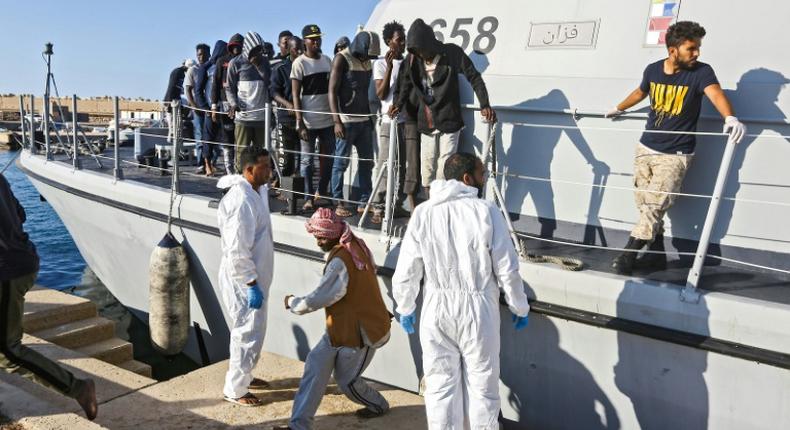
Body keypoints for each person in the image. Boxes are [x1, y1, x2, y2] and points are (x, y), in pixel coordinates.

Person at [392, 153, 530, 429]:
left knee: (440, 388)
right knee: (483, 389)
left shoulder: (423, 211)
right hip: (478, 311)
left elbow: (407, 268)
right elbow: (506, 267)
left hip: (435, 309)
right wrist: (519, 306)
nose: (484, 178)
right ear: (467, 179)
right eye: (482, 174)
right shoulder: (486, 210)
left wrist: (405, 307)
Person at [605, 21, 747, 275]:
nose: (697, 53)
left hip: (676, 154)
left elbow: (715, 94)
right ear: (673, 50)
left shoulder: (701, 73)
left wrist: (730, 117)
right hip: (646, 147)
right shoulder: (652, 70)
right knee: (644, 202)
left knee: (654, 205)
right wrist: (619, 108)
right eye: (691, 48)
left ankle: (629, 253)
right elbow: (640, 93)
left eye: (698, 48)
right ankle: (657, 254)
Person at [275, 208, 392, 429]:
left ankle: (379, 405)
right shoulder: (354, 244)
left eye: (321, 237)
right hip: (339, 329)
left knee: (347, 382)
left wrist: (292, 302)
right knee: (314, 366)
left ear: (332, 235)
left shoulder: (340, 262)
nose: (318, 241)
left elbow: (318, 299)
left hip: (361, 334)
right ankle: (298, 426)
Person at [0, 174, 98, 420]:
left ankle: (78, 388)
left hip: (7, 271)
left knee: (8, 351)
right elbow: (20, 215)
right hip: (23, 261)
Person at [390, 18, 496, 198]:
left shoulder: (451, 53)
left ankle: (442, 206)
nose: (421, 55)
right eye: (416, 51)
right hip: (427, 121)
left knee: (444, 168)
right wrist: (397, 105)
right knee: (428, 169)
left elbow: (474, 77)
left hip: (449, 120)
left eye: (422, 49)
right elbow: (406, 84)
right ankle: (432, 204)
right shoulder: (413, 59)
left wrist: (484, 104)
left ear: (429, 43)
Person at [216, 146, 274, 406]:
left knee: (255, 331)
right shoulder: (241, 201)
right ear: (249, 170)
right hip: (244, 281)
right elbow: (237, 248)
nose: (270, 171)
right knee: (245, 332)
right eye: (265, 167)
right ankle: (235, 389)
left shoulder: (256, 191)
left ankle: (246, 376)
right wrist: (250, 282)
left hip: (255, 278)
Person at [328, 30, 381, 217]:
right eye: (368, 53)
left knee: (367, 161)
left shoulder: (366, 60)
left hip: (364, 119)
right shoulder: (341, 59)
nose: (369, 57)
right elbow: (332, 91)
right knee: (341, 163)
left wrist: (370, 119)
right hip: (346, 120)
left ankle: (364, 200)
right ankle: (337, 200)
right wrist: (336, 121)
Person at [291, 24, 336, 210]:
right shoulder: (299, 63)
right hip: (308, 122)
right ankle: (308, 197)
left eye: (318, 38)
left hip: (327, 121)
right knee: (307, 161)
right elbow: (295, 95)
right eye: (313, 38)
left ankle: (322, 192)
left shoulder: (327, 60)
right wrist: (299, 122)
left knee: (329, 158)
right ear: (305, 41)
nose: (317, 41)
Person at [372, 21, 411, 224]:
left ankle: (396, 204)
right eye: (399, 40)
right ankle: (379, 206)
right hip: (389, 122)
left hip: (405, 123)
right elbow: (381, 93)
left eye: (403, 39)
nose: (403, 43)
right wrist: (388, 68)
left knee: (402, 166)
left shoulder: (408, 63)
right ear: (389, 42)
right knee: (385, 165)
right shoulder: (379, 63)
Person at [226, 31, 272, 171]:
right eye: (254, 50)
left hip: (261, 118)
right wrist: (233, 104)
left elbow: (270, 84)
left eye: (259, 50)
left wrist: (258, 67)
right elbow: (229, 88)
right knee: (242, 153)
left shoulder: (265, 63)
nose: (257, 54)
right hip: (243, 118)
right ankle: (241, 182)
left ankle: (260, 185)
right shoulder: (235, 63)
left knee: (261, 154)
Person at [211, 33, 245, 175]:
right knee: (227, 138)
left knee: (241, 137)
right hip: (225, 104)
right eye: (234, 45)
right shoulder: (222, 61)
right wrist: (213, 106)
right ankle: (229, 171)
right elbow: (216, 83)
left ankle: (239, 170)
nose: (236, 47)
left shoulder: (245, 61)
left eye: (239, 45)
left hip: (242, 104)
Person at [271, 36, 304, 178]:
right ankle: (284, 188)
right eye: (297, 49)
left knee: (304, 159)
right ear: (290, 50)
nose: (301, 51)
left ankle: (300, 192)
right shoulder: (281, 68)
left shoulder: (308, 65)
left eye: (302, 48)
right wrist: (288, 104)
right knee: (286, 159)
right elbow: (273, 92)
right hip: (286, 119)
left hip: (305, 118)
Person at [199, 40, 228, 176]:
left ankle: (223, 164)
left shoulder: (226, 65)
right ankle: (207, 164)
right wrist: (206, 108)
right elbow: (198, 91)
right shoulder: (206, 67)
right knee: (208, 138)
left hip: (224, 108)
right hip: (211, 108)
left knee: (227, 138)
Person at [185, 43, 212, 174]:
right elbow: (188, 90)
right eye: (198, 55)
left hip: (212, 108)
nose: (200, 57)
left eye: (203, 54)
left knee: (213, 137)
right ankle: (201, 164)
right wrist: (194, 106)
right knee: (200, 135)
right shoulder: (193, 70)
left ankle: (210, 163)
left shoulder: (212, 68)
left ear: (209, 54)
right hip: (199, 110)